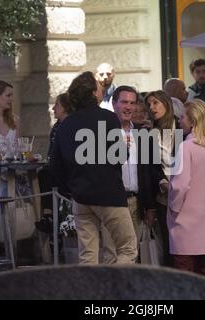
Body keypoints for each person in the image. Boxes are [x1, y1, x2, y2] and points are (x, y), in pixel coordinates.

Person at [50, 71, 137, 264]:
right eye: (98, 87)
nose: (101, 90)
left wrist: (70, 189)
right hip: (109, 194)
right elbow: (119, 156)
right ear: (92, 93)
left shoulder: (65, 124)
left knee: (87, 255)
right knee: (127, 248)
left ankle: (90, 292)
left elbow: (55, 164)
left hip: (81, 197)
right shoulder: (108, 119)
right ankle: (113, 289)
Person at [168, 99, 205, 276]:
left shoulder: (185, 147)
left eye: (182, 117)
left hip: (184, 217)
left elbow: (180, 184)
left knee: (184, 269)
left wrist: (173, 207)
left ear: (192, 121)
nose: (179, 121)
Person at [101, 86, 157, 263]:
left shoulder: (142, 133)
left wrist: (149, 206)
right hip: (112, 202)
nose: (128, 107)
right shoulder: (103, 133)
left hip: (136, 202)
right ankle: (111, 290)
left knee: (133, 253)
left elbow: (148, 171)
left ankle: (128, 289)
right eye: (124, 102)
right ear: (114, 103)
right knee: (112, 253)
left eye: (132, 103)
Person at [145, 90, 181, 267]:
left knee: (184, 243)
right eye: (149, 104)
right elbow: (151, 166)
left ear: (166, 104)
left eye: (155, 103)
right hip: (163, 194)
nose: (152, 107)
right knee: (168, 243)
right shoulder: (150, 132)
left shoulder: (181, 127)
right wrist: (162, 182)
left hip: (184, 191)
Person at [36, 93, 73, 233]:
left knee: (46, 175)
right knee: (42, 174)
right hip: (57, 170)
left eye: (57, 104)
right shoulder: (57, 127)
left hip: (69, 172)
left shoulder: (71, 126)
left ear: (65, 107)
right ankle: (48, 216)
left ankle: (49, 216)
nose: (53, 108)